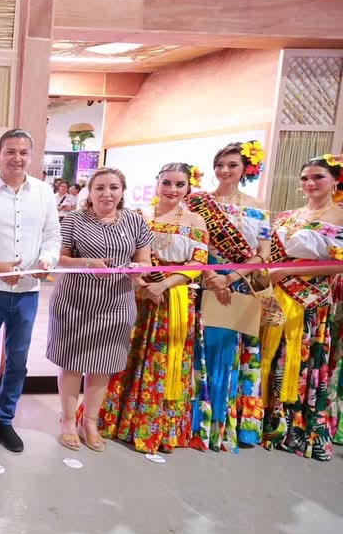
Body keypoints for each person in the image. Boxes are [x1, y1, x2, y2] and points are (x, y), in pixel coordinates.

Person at [0, 128, 60, 454]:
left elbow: (52, 236)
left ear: (31, 156)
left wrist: (46, 260)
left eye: (23, 152)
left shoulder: (44, 193)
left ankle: (4, 420)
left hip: (28, 291)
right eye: (10, 151)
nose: (17, 158)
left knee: (17, 360)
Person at [99, 163, 209, 454]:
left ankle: (156, 429)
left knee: (164, 360)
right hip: (136, 294)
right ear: (157, 183)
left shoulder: (196, 221)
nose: (172, 190)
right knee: (124, 356)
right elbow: (125, 253)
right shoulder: (137, 216)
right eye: (167, 183)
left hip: (174, 301)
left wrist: (163, 285)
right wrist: (144, 283)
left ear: (188, 187)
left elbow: (198, 264)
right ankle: (116, 420)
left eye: (179, 184)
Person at [48, 167, 153, 451]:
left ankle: (90, 422)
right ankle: (68, 421)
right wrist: (87, 264)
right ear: (89, 192)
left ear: (122, 192)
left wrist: (137, 271)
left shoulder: (135, 221)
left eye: (114, 188)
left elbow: (145, 261)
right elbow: (58, 259)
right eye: (100, 188)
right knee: (71, 363)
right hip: (75, 301)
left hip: (117, 303)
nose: (107, 193)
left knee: (104, 364)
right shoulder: (73, 220)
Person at [185, 141, 271, 452]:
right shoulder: (197, 203)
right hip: (203, 283)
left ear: (246, 168)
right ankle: (193, 423)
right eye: (220, 164)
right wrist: (211, 275)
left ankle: (221, 422)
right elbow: (191, 243)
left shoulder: (258, 208)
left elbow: (263, 253)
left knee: (229, 354)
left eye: (232, 165)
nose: (224, 170)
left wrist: (231, 276)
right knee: (199, 351)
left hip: (240, 286)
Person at [259, 155, 343, 461]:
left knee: (303, 358)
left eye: (318, 177)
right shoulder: (285, 217)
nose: (310, 183)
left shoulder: (340, 216)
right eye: (305, 177)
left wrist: (289, 272)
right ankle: (266, 422)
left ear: (335, 180)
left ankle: (299, 430)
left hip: (312, 302)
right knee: (271, 354)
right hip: (276, 297)